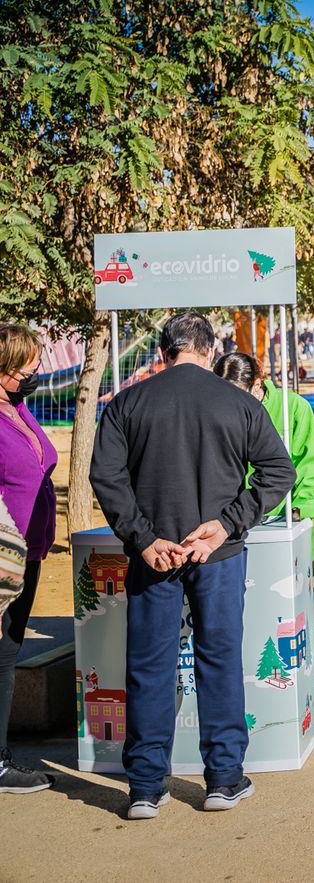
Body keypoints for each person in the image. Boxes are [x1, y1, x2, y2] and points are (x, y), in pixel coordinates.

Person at [90, 313, 294, 820]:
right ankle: (223, 780)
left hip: (154, 555)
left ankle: (143, 788)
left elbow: (105, 477)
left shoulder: (127, 403)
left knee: (149, 667)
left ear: (163, 352)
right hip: (216, 554)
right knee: (219, 661)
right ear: (209, 350)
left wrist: (142, 538)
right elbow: (279, 472)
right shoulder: (240, 402)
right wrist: (227, 524)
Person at [0, 323, 59, 793]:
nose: (35, 371)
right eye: (27, 366)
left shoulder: (17, 407)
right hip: (2, 560)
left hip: (27, 554)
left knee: (8, 652)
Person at [213, 353, 314, 526]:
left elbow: (311, 462)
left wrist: (302, 506)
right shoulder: (216, 413)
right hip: (232, 519)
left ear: (256, 384)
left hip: (283, 518)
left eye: (237, 396)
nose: (231, 403)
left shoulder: (294, 408)